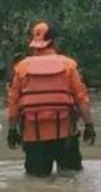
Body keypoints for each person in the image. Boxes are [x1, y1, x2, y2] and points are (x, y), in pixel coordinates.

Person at [7, 20, 96, 176]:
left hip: (34, 137)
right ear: (55, 41)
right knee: (71, 181)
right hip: (65, 135)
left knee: (36, 185)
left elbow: (13, 103)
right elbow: (81, 99)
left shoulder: (21, 68)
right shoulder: (68, 66)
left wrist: (12, 129)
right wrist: (89, 125)